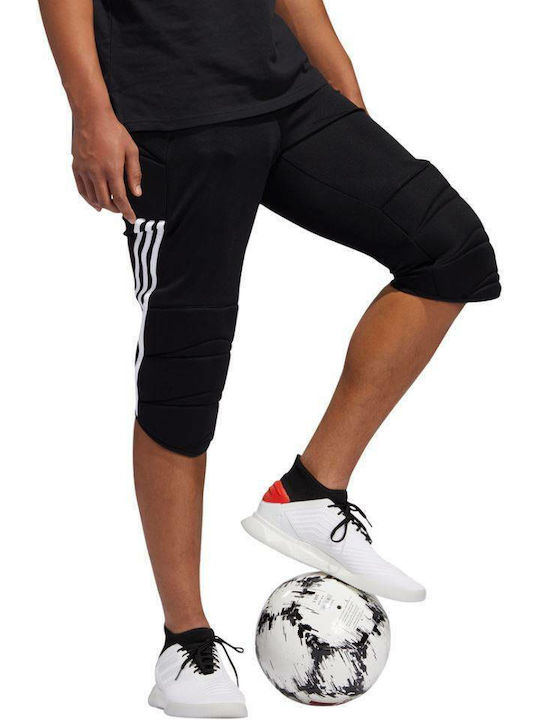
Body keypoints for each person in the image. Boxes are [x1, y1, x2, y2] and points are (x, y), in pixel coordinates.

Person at [39, 0, 501, 716]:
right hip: (172, 121)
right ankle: (184, 641)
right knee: (183, 379)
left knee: (450, 250)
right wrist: (90, 111)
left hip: (287, 92)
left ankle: (310, 491)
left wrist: (336, 71)